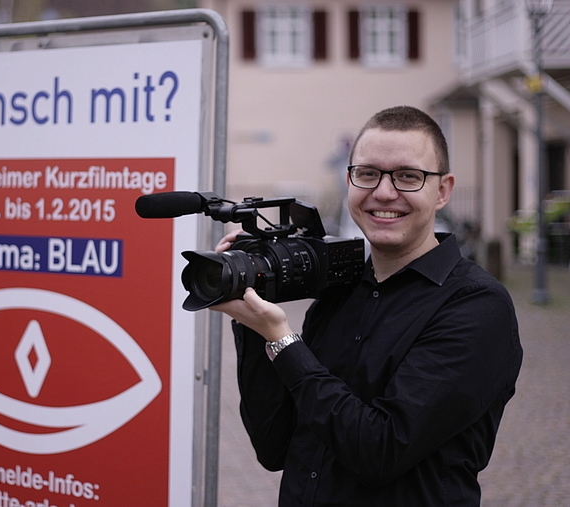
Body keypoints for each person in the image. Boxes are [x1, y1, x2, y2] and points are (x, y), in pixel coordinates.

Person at [213, 106, 522, 506]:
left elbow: (379, 450)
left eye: (408, 176)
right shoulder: (341, 293)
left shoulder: (477, 307)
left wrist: (282, 339)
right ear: (350, 181)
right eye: (368, 173)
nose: (384, 192)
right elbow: (274, 447)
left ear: (443, 190)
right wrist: (252, 310)